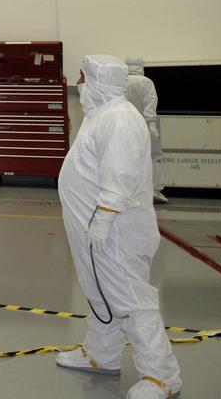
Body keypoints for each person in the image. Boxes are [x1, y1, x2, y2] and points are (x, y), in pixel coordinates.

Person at [55, 55, 181, 399]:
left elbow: (120, 174)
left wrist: (106, 215)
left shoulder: (120, 118)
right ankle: (101, 354)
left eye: (82, 76)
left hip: (117, 232)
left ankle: (162, 376)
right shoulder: (101, 115)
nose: (78, 82)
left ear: (97, 81)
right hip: (95, 229)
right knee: (101, 293)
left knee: (130, 298)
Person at [126, 57, 168, 204]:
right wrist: (152, 125)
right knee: (154, 156)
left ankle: (132, 191)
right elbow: (150, 103)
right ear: (140, 66)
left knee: (130, 157)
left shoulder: (122, 82)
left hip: (127, 125)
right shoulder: (145, 82)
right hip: (145, 125)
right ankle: (155, 191)